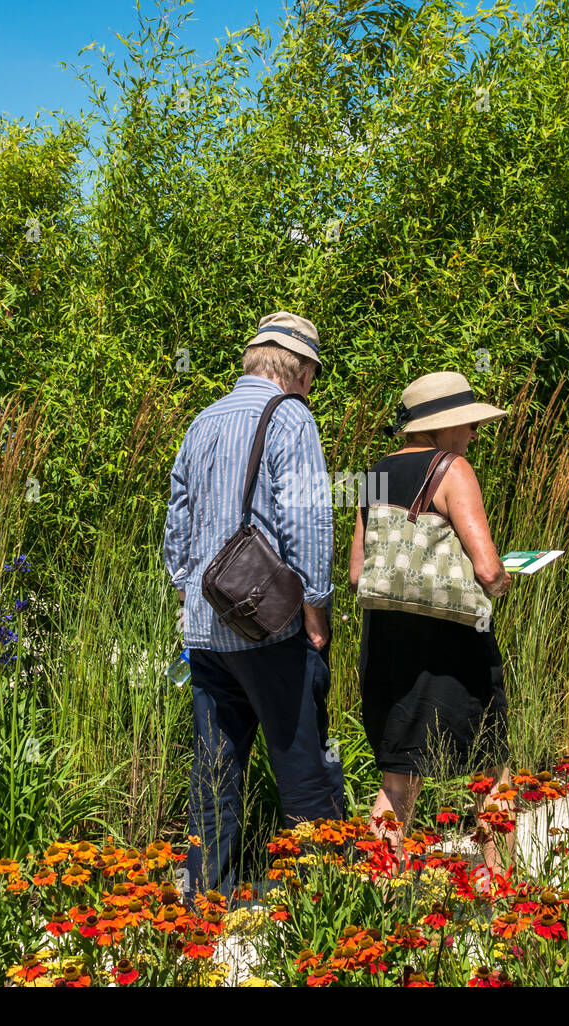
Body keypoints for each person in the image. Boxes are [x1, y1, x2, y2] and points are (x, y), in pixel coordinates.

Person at [163, 311, 343, 895]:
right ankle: (320, 903)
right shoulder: (291, 418)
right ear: (300, 371)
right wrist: (315, 607)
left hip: (207, 631)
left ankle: (201, 902)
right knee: (303, 770)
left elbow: (178, 523)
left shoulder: (203, 421)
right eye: (314, 375)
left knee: (213, 774)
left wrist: (188, 591)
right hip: (270, 628)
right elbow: (309, 520)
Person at [349, 371, 513, 874]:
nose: (473, 434)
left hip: (386, 640)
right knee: (491, 765)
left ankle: (377, 890)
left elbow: (357, 573)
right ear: (440, 429)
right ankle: (498, 886)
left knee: (398, 774)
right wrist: (505, 581)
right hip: (451, 642)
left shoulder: (374, 471)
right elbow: (486, 568)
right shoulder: (452, 468)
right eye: (466, 424)